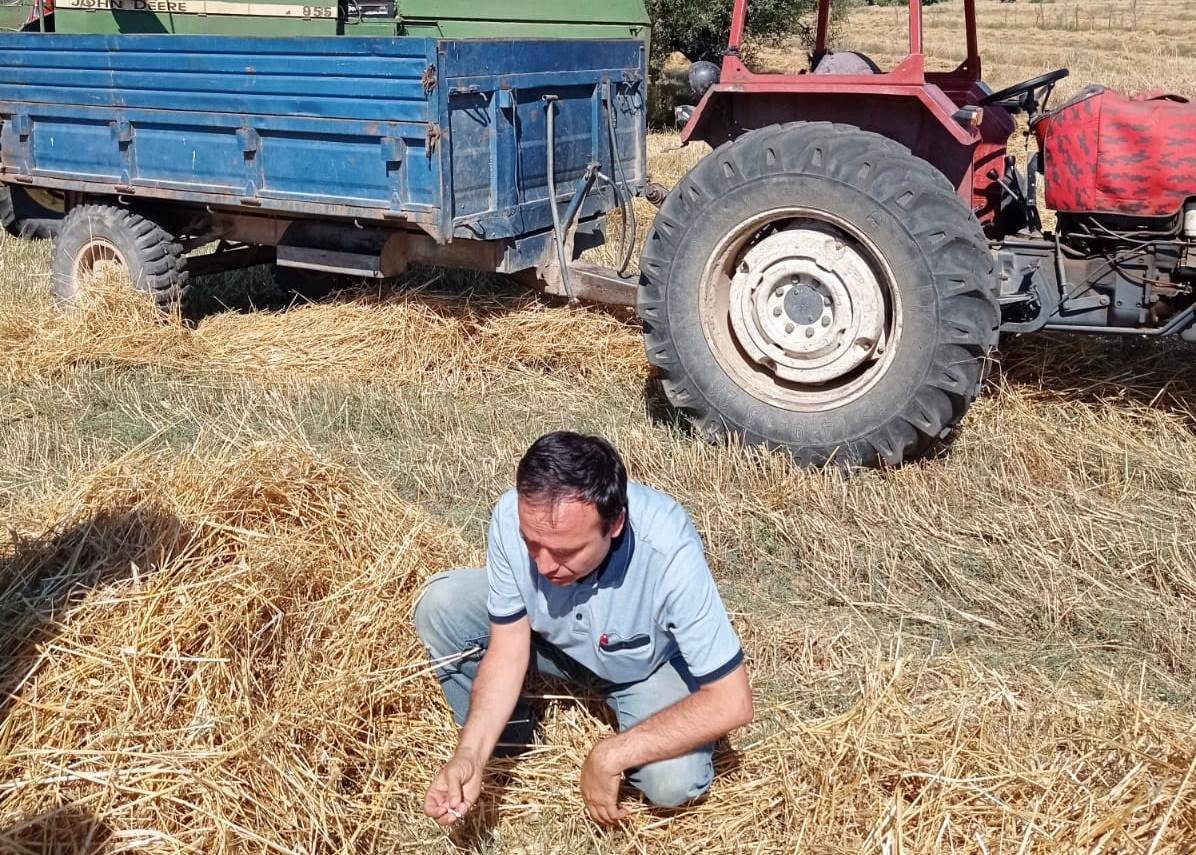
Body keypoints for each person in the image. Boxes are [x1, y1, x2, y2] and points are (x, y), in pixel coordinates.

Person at [415, 431, 753, 826]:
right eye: (531, 544)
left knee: (673, 783)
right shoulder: (511, 518)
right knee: (443, 605)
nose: (542, 567)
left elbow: (732, 702)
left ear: (614, 523)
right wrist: (469, 755)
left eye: (564, 552)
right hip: (548, 640)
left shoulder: (667, 547)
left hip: (642, 668)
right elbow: (508, 646)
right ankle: (509, 739)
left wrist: (611, 755)